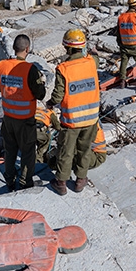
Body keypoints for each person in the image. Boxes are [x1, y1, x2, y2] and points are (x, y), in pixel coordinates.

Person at [47, 28, 101, 196]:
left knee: (66, 150)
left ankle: (61, 182)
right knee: (84, 149)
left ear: (67, 48)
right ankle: (80, 180)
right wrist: (93, 52)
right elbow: (96, 57)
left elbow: (58, 94)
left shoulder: (63, 68)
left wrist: (50, 103)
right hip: (91, 118)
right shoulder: (92, 62)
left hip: (72, 120)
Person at [0, 34, 46, 191]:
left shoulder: (2, 65)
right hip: (25, 120)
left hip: (8, 118)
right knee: (28, 152)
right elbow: (41, 94)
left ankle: (9, 181)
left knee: (10, 151)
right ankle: (25, 182)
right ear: (27, 49)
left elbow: (0, 87)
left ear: (13, 48)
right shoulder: (30, 69)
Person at [116, 0, 136, 89]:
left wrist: (120, 43)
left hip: (124, 45)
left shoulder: (121, 17)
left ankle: (122, 81)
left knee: (124, 63)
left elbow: (118, 32)